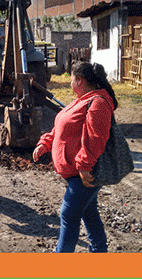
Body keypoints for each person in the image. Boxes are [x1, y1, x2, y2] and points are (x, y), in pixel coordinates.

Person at [32, 62, 117, 253]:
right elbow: (62, 127)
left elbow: (97, 138)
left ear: (80, 80)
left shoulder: (98, 103)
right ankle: (99, 252)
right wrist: (45, 143)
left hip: (85, 173)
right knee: (89, 212)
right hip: (76, 172)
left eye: (71, 78)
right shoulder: (82, 99)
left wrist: (84, 165)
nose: (70, 82)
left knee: (69, 214)